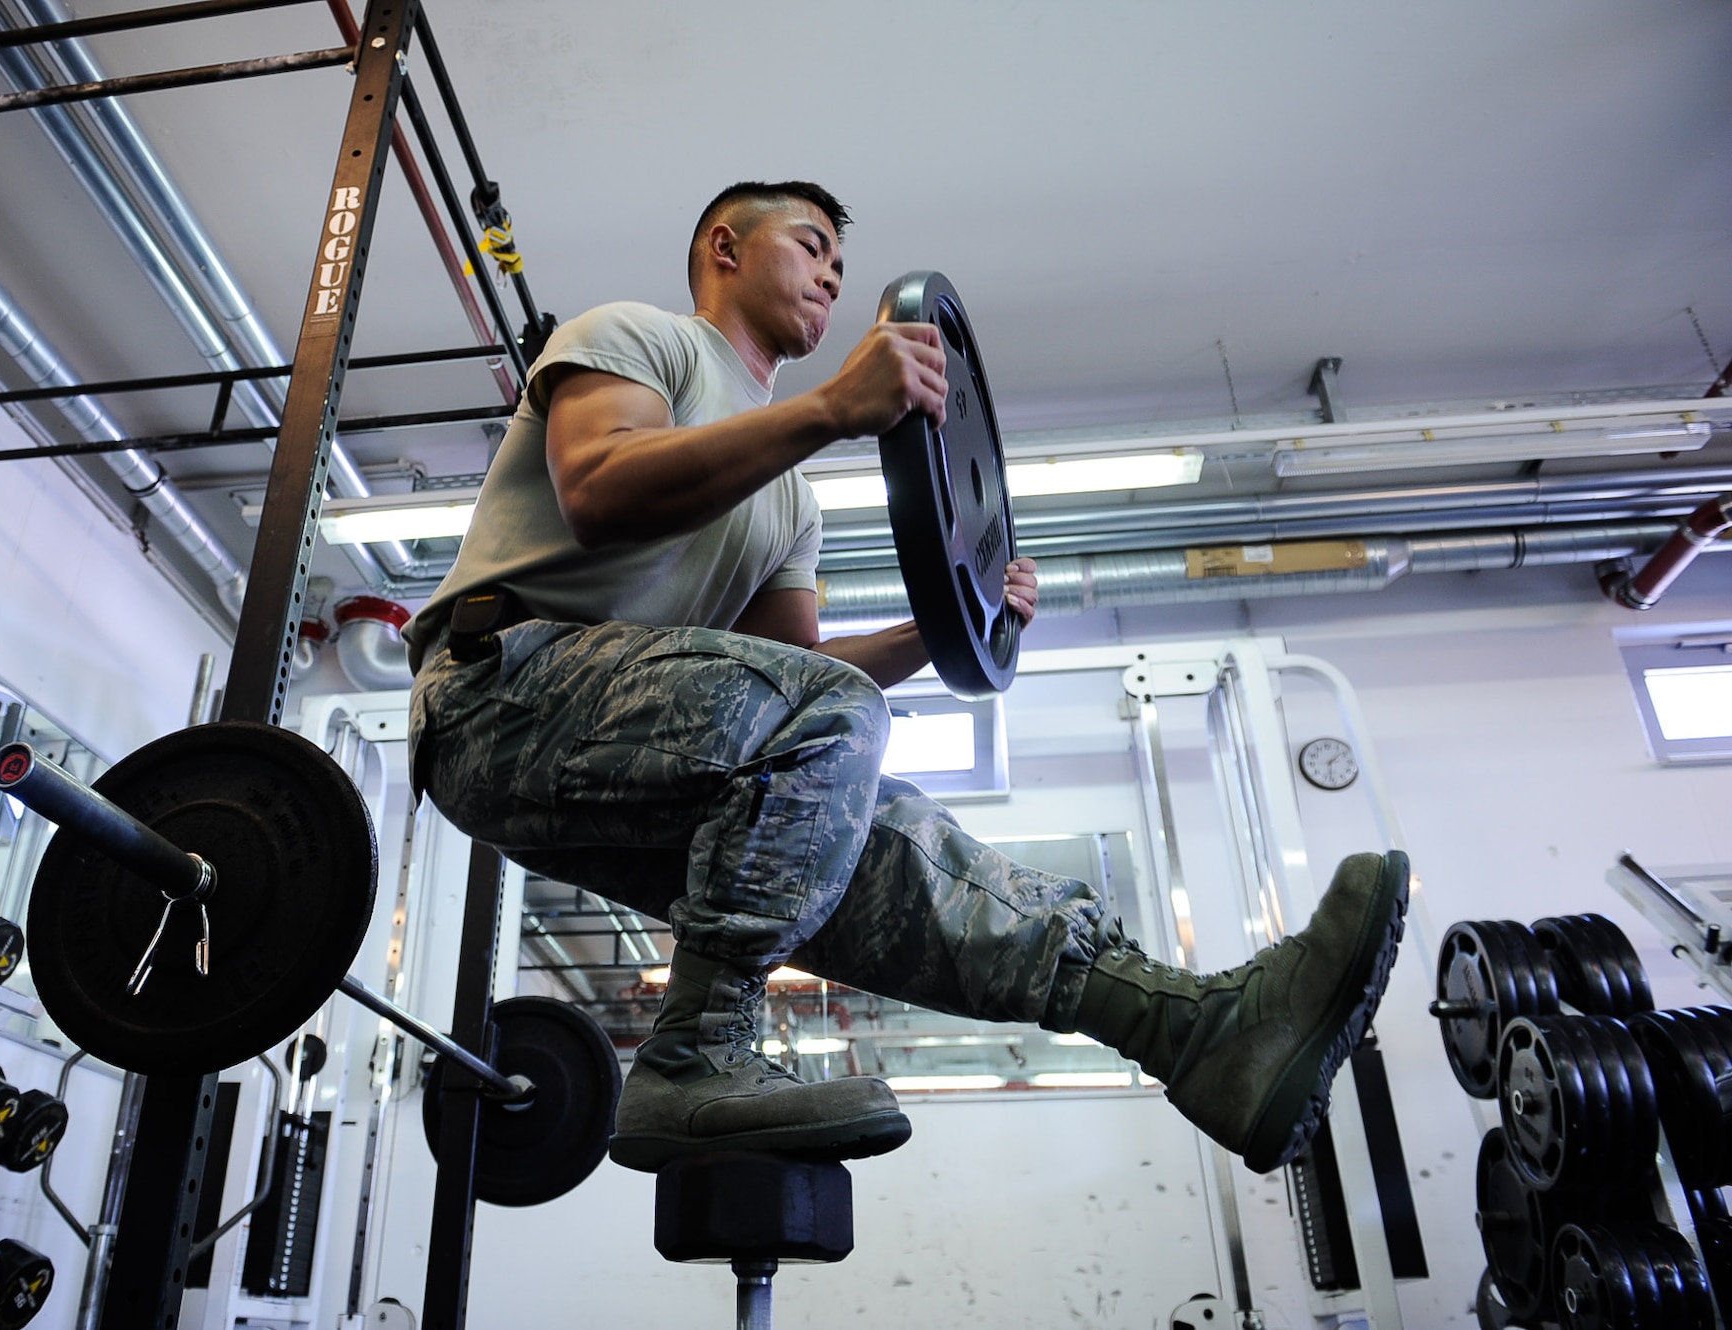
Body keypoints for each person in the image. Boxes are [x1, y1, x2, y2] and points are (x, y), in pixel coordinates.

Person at [402, 181, 1407, 1176]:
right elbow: (601, 490)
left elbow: (797, 675)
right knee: (827, 720)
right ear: (723, 247)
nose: (830, 273)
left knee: (888, 852)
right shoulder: (638, 337)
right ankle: (695, 1057)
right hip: (493, 698)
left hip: (617, 755)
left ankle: (1188, 1031)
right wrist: (835, 407)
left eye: (840, 264)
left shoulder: (787, 504)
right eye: (808, 246)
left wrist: (946, 623)